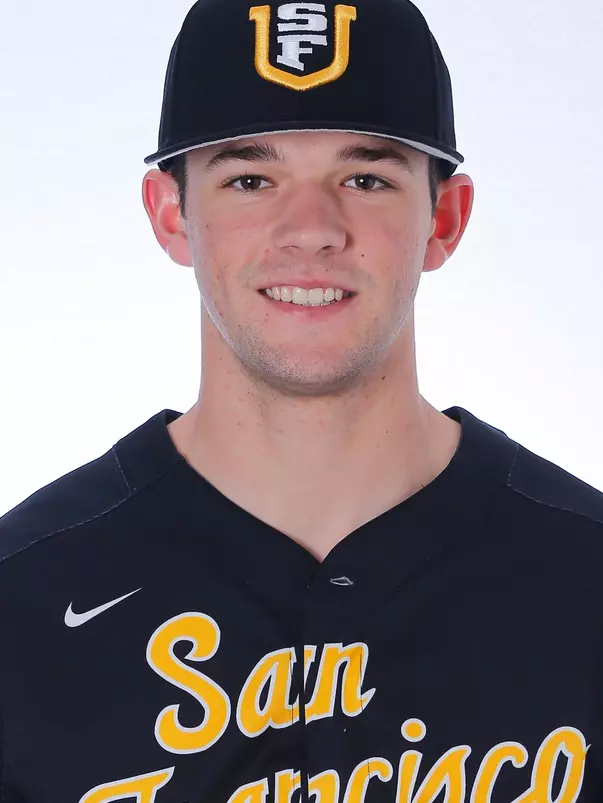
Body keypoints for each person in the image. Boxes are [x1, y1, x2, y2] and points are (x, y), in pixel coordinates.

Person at [1, 0, 602, 800]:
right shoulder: (24, 601)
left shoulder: (584, 579)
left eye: (364, 178)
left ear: (444, 218)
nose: (311, 229)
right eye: (251, 178)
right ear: (171, 213)